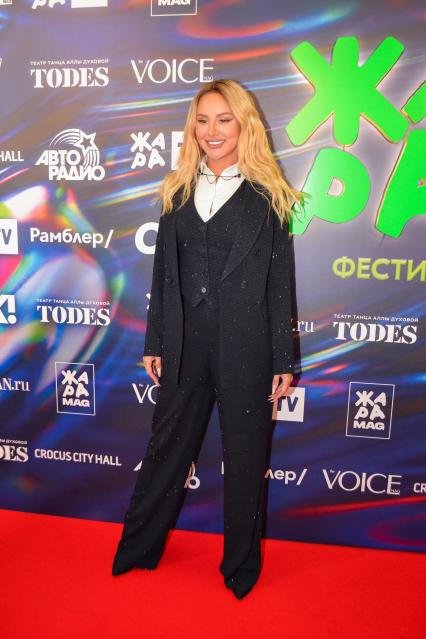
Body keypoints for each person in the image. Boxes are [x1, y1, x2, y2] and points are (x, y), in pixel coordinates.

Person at [112, 79, 302, 599]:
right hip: (184, 344)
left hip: (247, 347)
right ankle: (139, 549)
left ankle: (240, 568)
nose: (212, 131)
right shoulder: (176, 191)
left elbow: (279, 285)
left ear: (244, 125)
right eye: (202, 120)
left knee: (245, 457)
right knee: (165, 449)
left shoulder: (270, 198)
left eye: (223, 119)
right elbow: (162, 276)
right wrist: (154, 342)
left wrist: (283, 358)